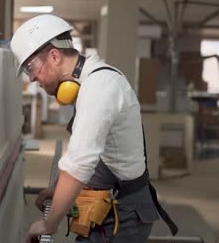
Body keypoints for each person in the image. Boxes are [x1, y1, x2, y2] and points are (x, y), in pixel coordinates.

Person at [10, 14, 178, 242]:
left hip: (122, 216)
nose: (31, 79)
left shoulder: (100, 87)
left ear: (54, 55)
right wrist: (58, 190)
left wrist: (49, 223)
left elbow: (80, 162)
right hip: (105, 205)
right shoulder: (89, 82)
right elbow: (88, 148)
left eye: (31, 68)